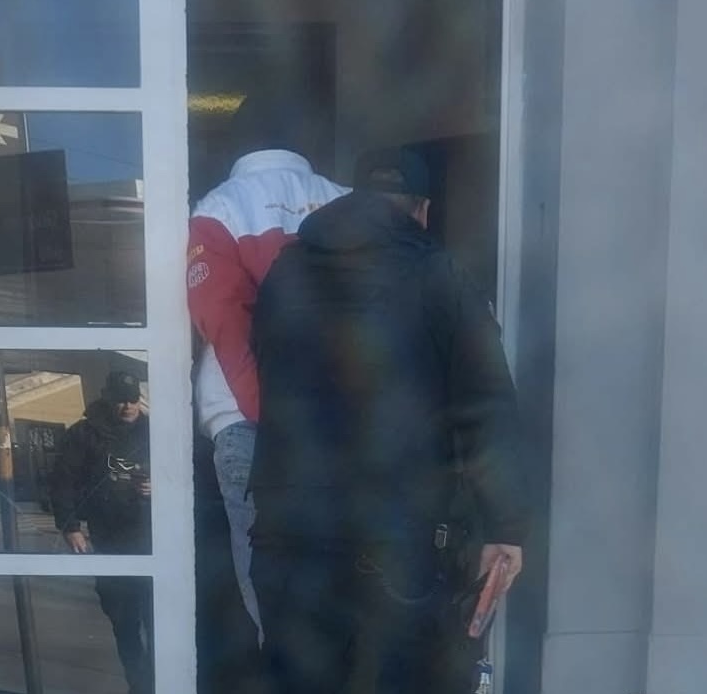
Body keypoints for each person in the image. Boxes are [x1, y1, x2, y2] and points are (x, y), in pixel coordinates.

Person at [248, 146, 530, 693]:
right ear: (422, 209)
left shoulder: (285, 272)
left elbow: (269, 368)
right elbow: (486, 404)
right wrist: (505, 525)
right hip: (393, 537)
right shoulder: (438, 274)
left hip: (290, 539)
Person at [187, 90, 349, 636]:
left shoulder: (217, 209)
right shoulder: (347, 203)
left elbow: (223, 320)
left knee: (268, 589)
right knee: (344, 578)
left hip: (244, 422)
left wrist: (270, 410)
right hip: (339, 425)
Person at [50, 371, 153, 694]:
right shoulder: (83, 435)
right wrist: (70, 527)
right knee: (124, 622)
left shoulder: (157, 431)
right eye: (121, 399)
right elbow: (62, 482)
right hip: (109, 541)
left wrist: (159, 487)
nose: (128, 406)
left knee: (159, 621)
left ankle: (157, 685)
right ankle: (140, 686)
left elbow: (185, 475)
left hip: (153, 541)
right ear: (108, 398)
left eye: (133, 399)